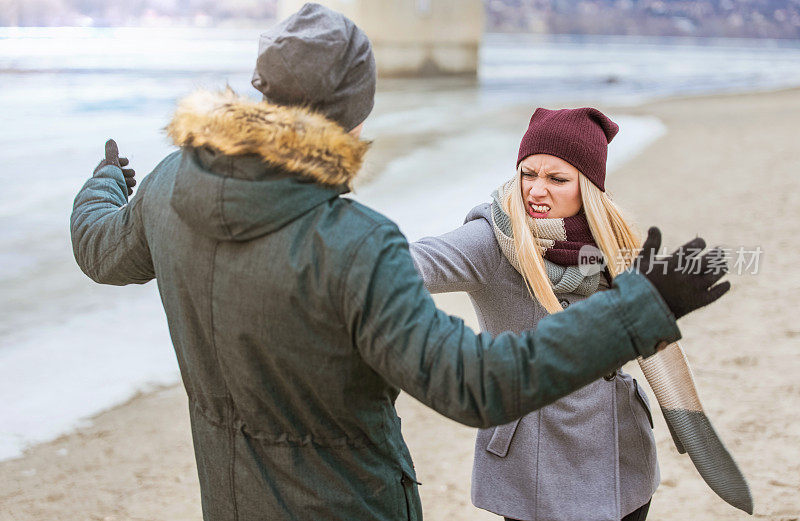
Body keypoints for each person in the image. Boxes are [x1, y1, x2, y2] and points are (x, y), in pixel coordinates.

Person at [70, 4, 729, 520]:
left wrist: (106, 180)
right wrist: (640, 308)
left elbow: (99, 247)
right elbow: (478, 383)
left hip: (232, 501)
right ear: (353, 117)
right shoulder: (355, 243)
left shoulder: (165, 187)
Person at [409, 108, 682, 521]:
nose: (536, 190)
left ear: (586, 186)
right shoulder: (491, 241)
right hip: (537, 459)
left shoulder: (612, 240)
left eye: (557, 179)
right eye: (528, 173)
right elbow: (407, 264)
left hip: (620, 450)